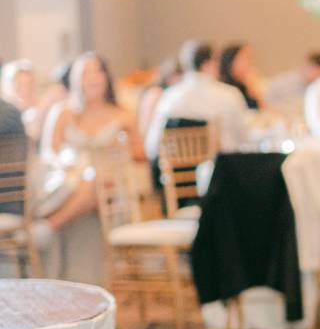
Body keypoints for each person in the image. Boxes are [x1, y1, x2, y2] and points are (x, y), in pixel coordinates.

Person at [39, 53, 144, 232]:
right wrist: (66, 166)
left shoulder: (122, 114)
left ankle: (50, 225)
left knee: (100, 179)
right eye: (86, 73)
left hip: (108, 179)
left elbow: (140, 155)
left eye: (98, 72)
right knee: (85, 181)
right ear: (76, 79)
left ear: (106, 77)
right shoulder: (62, 112)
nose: (92, 78)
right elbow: (48, 153)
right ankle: (51, 224)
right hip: (68, 177)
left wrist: (122, 150)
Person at [145, 41, 249, 161]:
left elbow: (151, 147)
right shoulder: (229, 95)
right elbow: (243, 140)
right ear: (206, 64)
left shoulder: (169, 97)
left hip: (176, 173)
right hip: (219, 172)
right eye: (217, 61)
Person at [264, 51, 320, 117]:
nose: (315, 76)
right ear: (305, 66)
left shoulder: (319, 86)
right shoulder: (283, 83)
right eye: (312, 70)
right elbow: (267, 105)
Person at [219, 43, 264, 110]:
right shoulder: (226, 89)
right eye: (246, 58)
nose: (251, 62)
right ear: (232, 62)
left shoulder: (244, 85)